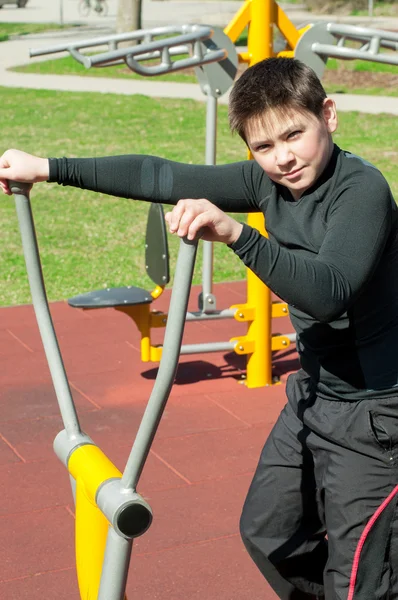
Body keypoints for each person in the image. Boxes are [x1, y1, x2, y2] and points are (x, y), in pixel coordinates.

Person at [1, 57, 398, 600]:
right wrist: (47, 167)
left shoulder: (361, 191)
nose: (282, 158)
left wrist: (239, 235)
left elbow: (328, 293)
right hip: (313, 395)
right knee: (269, 532)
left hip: (375, 412)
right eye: (263, 147)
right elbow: (160, 175)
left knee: (360, 577)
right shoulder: (269, 184)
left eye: (293, 135)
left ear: (327, 115)